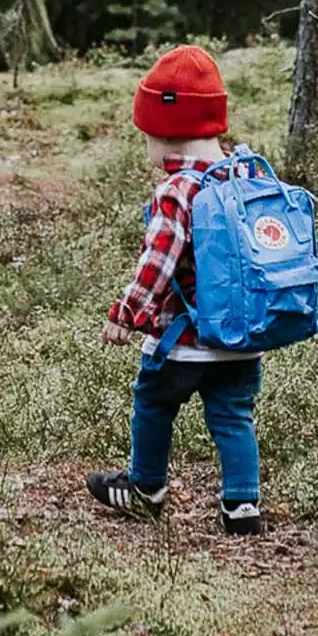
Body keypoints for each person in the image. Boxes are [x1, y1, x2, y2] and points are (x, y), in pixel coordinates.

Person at [86, 45, 265, 535]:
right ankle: (242, 506)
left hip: (183, 340)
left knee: (153, 400)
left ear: (166, 134)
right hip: (243, 335)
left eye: (145, 136)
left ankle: (146, 487)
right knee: (233, 415)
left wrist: (124, 312)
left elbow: (158, 263)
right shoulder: (245, 171)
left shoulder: (177, 189)